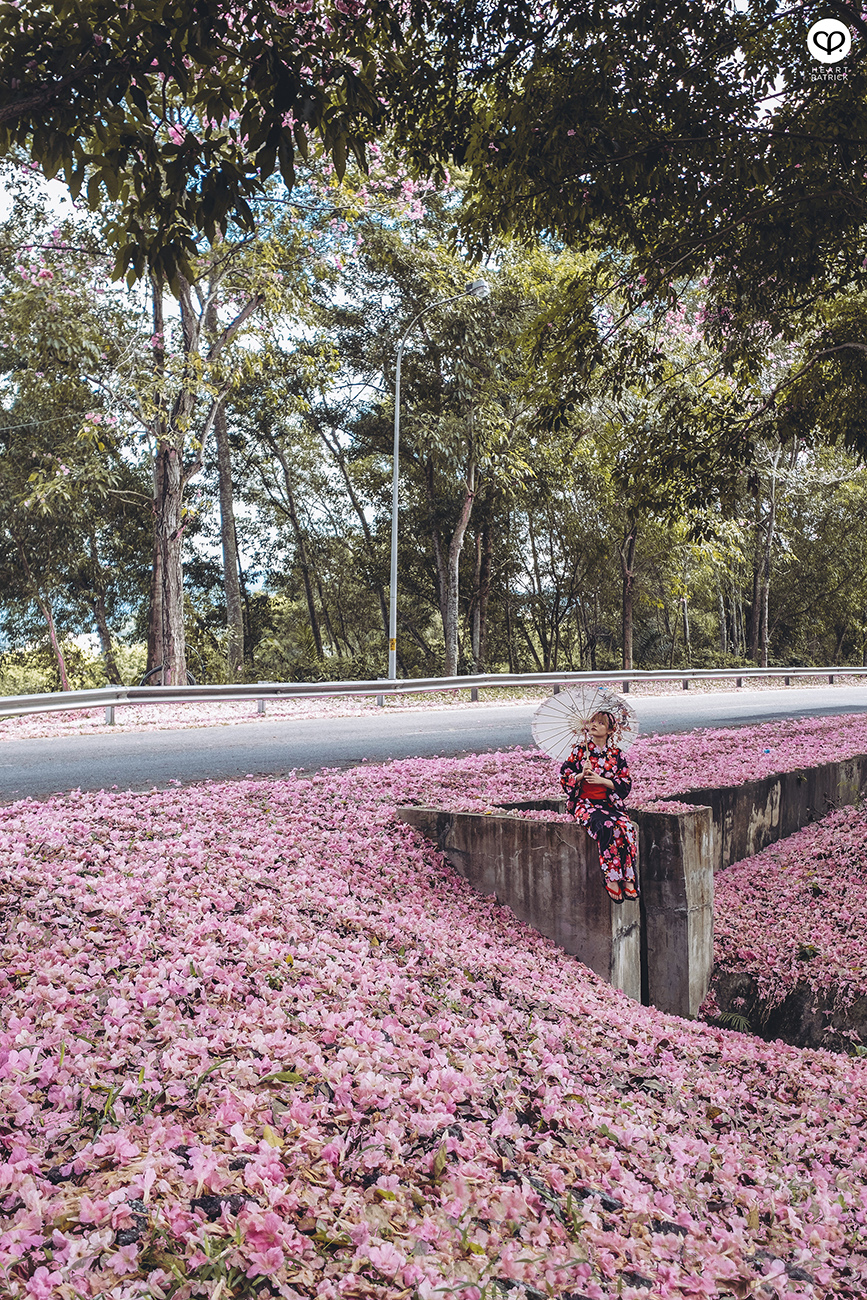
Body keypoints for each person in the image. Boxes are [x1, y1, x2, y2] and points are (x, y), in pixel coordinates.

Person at [559, 710, 639, 904]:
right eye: (593, 721)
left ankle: (628, 877)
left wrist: (602, 781)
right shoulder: (580, 751)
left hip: (609, 803)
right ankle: (611, 877)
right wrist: (580, 775)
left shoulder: (616, 755)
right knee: (606, 827)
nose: (594, 724)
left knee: (627, 828)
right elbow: (564, 776)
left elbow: (625, 784)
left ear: (610, 730)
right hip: (585, 803)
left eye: (601, 723)